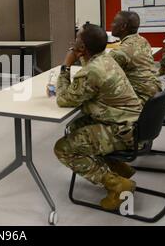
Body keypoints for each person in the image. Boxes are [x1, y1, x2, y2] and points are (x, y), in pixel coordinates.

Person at [53, 24, 142, 211]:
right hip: (132, 124)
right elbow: (90, 76)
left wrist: (65, 66)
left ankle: (117, 185)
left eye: (77, 38)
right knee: (76, 126)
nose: (73, 41)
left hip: (121, 131)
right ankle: (118, 167)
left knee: (63, 148)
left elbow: (63, 99)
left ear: (83, 47)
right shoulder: (106, 59)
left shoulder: (91, 71)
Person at [110, 11, 162, 105]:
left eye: (114, 22)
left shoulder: (122, 51)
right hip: (155, 94)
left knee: (97, 103)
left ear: (123, 27)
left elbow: (97, 69)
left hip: (142, 100)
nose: (111, 24)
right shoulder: (142, 40)